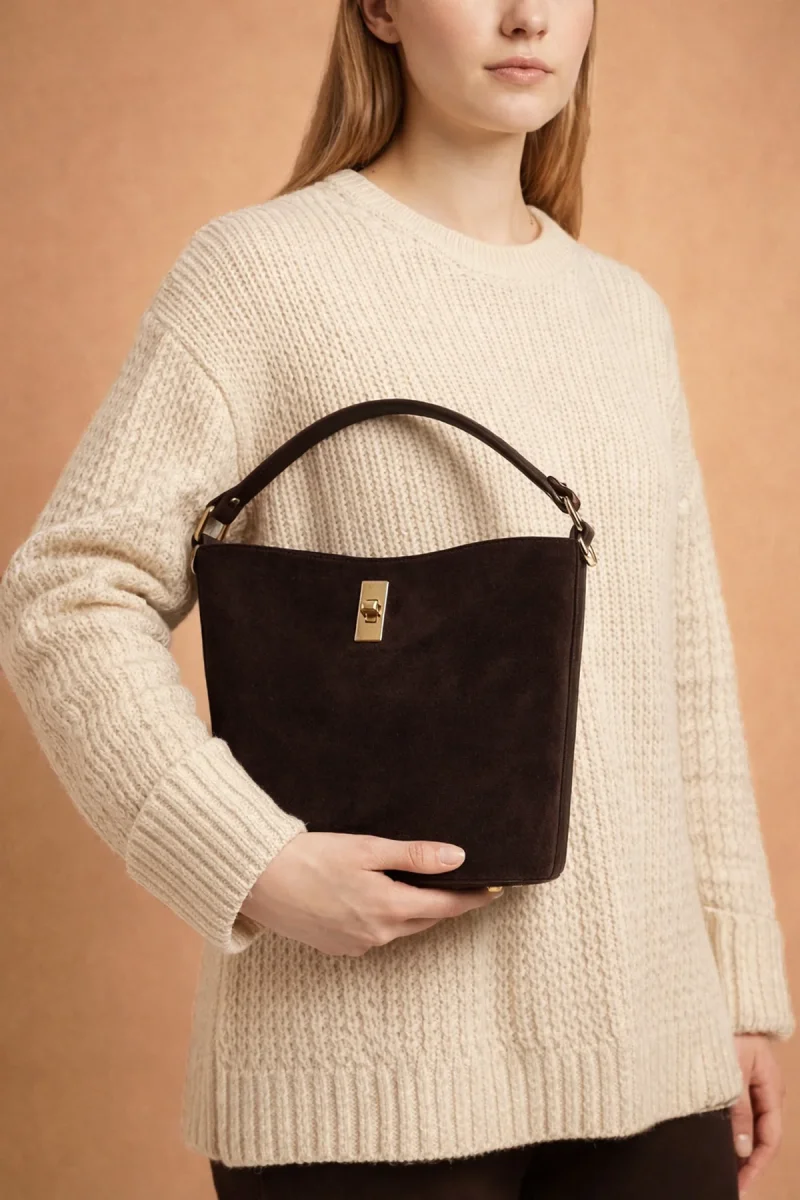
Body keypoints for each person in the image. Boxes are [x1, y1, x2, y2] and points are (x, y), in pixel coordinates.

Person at [0, 0, 794, 1196]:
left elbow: (682, 668)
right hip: (355, 1087)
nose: (525, 15)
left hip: (655, 1067)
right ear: (377, 6)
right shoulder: (259, 274)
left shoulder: (624, 314)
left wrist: (734, 990)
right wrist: (251, 860)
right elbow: (66, 594)